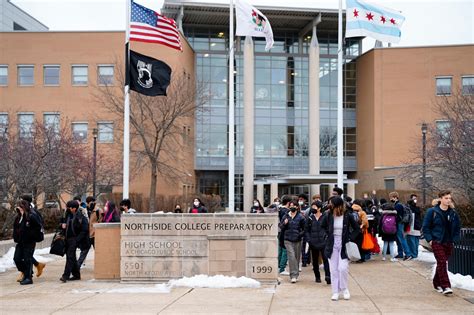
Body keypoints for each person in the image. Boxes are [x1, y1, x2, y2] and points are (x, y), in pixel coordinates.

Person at [422, 190, 461, 295]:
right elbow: (425, 227)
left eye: (449, 198)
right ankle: (446, 286)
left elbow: (457, 227)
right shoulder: (432, 211)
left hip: (448, 242)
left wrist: (455, 239)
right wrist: (430, 239)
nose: (448, 200)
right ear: (440, 199)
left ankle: (436, 282)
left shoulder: (453, 213)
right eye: (446, 198)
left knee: (442, 263)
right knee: (442, 262)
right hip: (437, 241)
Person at [321, 196, 360, 301]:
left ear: (336, 204)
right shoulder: (328, 215)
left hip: (344, 245)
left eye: (331, 203)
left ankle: (344, 288)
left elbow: (357, 229)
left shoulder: (347, 215)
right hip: (331, 244)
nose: (329, 205)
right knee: (333, 270)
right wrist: (326, 236)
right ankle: (335, 292)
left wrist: (350, 238)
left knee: (342, 268)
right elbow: (322, 226)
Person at [13, 200, 42, 285]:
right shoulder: (18, 217)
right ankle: (26, 273)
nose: (19, 209)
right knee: (17, 259)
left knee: (27, 259)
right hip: (20, 241)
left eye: (21, 207)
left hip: (29, 242)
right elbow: (16, 228)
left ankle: (28, 278)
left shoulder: (31, 216)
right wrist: (16, 237)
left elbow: (38, 227)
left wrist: (30, 235)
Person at [18, 194, 45, 281]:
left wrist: (30, 235)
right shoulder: (23, 211)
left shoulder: (32, 213)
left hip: (29, 239)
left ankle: (27, 276)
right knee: (23, 257)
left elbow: (37, 226)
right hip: (23, 239)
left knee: (27, 257)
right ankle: (34, 267)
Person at [60, 200, 88, 282]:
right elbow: (61, 223)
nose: (68, 209)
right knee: (72, 257)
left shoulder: (81, 217)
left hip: (74, 239)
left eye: (69, 207)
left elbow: (84, 230)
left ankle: (65, 275)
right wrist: (62, 225)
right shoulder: (67, 215)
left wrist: (77, 240)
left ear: (74, 208)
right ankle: (76, 275)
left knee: (70, 256)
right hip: (67, 238)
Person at [279, 200, 305, 283]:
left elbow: (305, 229)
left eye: (293, 205)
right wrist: (284, 223)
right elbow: (281, 226)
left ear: (297, 207)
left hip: (297, 240)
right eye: (290, 205)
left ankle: (296, 274)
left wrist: (300, 235)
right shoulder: (286, 216)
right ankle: (293, 275)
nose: (291, 207)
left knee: (296, 258)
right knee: (291, 257)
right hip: (288, 239)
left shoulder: (301, 217)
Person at [305, 200, 330, 284]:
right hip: (313, 242)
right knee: (315, 261)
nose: (313, 208)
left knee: (326, 259)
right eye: (312, 207)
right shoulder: (310, 217)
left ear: (319, 208)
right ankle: (317, 276)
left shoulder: (325, 217)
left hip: (324, 242)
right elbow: (306, 230)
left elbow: (328, 229)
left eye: (314, 207)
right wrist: (309, 239)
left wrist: (327, 238)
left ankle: (328, 276)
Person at [389, 191, 413, 260]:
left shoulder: (398, 205)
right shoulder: (399, 204)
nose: (390, 199)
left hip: (399, 223)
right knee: (399, 239)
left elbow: (397, 216)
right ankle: (400, 253)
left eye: (391, 197)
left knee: (401, 239)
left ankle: (408, 254)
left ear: (395, 197)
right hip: (400, 223)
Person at [77, 197, 94, 268]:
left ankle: (79, 265)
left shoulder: (86, 210)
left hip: (90, 232)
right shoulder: (82, 210)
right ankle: (79, 265)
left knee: (85, 249)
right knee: (84, 249)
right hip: (85, 233)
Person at [406, 194, 422, 259]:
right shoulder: (418, 209)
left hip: (412, 227)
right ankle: (415, 253)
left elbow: (410, 219)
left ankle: (413, 254)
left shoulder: (410, 209)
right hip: (418, 226)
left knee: (411, 241)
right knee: (416, 241)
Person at [278, 196, 290, 275]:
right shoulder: (286, 211)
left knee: (281, 249)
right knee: (285, 250)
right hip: (285, 232)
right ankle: (282, 268)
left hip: (280, 232)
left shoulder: (279, 209)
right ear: (288, 203)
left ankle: (279, 266)